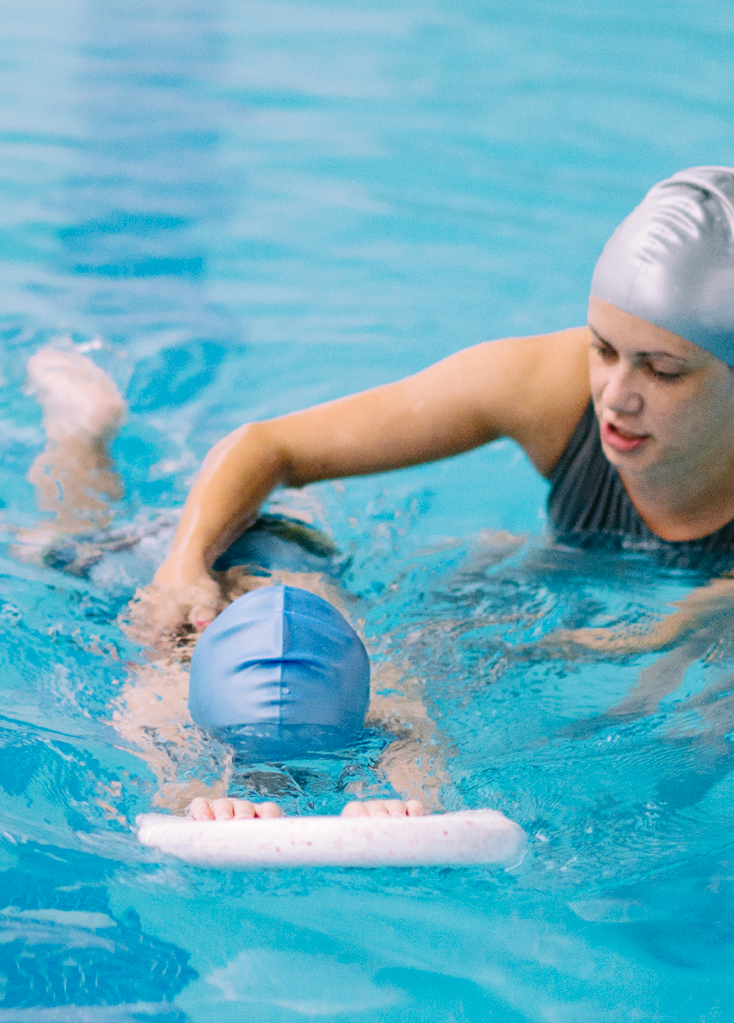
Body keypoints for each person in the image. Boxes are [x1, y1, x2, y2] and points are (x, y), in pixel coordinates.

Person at [132, 167, 734, 654]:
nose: (616, 395)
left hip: (702, 597)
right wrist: (183, 564)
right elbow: (270, 446)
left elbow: (691, 713)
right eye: (604, 347)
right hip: (572, 568)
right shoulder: (545, 382)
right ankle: (83, 447)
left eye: (661, 370)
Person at [24, 348, 440, 820]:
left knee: (60, 540)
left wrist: (198, 802)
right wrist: (401, 803)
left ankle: (82, 436)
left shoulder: (164, 698)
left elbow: (166, 770)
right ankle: (82, 438)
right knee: (58, 545)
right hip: (252, 553)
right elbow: (417, 755)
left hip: (272, 546)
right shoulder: (381, 696)